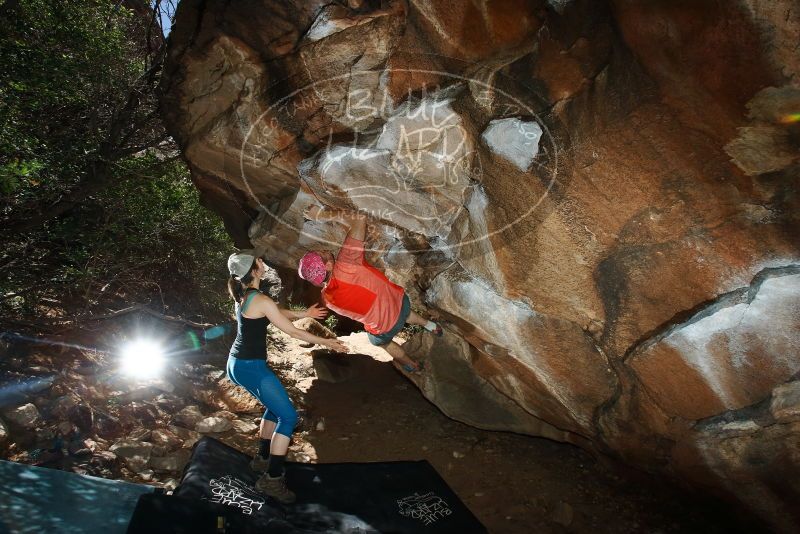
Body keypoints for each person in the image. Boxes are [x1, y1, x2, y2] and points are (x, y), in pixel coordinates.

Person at [226, 250, 348, 504]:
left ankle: (262, 458)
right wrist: (328, 342)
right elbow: (293, 332)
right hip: (251, 367)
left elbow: (277, 312)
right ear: (255, 270)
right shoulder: (258, 299)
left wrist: (305, 314)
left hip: (238, 364)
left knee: (274, 407)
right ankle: (272, 479)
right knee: (289, 416)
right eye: (259, 262)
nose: (262, 262)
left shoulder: (245, 296)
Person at [297, 206, 442, 373]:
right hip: (401, 302)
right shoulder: (346, 262)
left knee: (380, 342)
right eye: (321, 253)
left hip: (384, 327)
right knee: (404, 312)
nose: (323, 249)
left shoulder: (327, 300)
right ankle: (431, 326)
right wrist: (321, 215)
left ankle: (411, 365)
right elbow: (359, 219)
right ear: (328, 265)